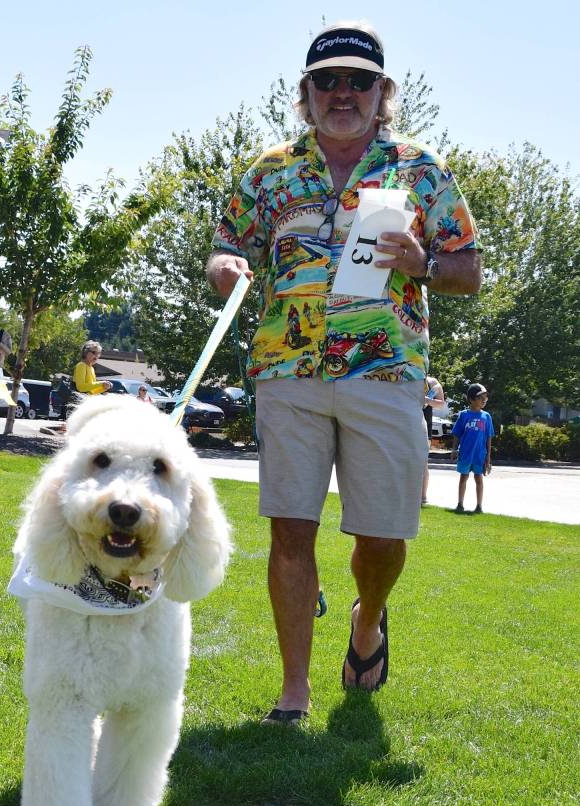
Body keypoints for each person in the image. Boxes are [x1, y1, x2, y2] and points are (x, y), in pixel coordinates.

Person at [206, 20, 481, 721]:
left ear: (383, 92)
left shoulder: (422, 169)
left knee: (382, 539)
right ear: (305, 93)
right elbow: (224, 246)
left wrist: (426, 265)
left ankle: (367, 617)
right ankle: (293, 691)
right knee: (290, 530)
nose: (343, 93)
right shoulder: (269, 172)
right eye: (327, 81)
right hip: (288, 369)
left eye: (359, 81)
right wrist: (226, 267)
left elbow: (469, 270)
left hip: (386, 374)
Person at [451, 383, 493, 514]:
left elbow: (488, 437)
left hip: (480, 454)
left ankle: (479, 506)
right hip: (465, 453)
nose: (484, 400)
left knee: (478, 478)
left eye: (485, 398)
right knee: (463, 477)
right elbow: (457, 434)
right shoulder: (464, 415)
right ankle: (460, 504)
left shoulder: (486, 416)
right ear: (471, 399)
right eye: (481, 398)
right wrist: (454, 449)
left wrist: (488, 457)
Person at [421, 375, 446, 505]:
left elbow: (441, 404)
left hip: (424, 428)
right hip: (405, 425)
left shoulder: (432, 382)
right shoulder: (405, 375)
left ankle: (423, 497)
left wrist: (426, 400)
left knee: (423, 463)